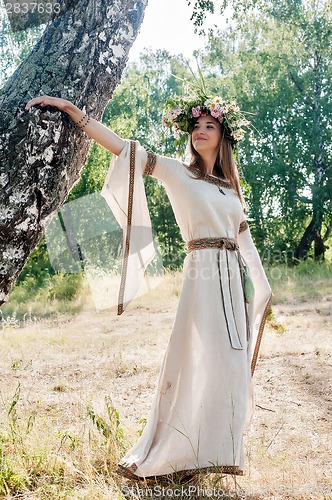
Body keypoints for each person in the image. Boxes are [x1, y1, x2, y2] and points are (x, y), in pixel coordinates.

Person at [26, 88, 272, 483]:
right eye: (196, 126)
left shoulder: (230, 189)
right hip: (202, 275)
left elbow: (246, 242)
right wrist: (73, 111)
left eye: (210, 125)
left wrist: (262, 287)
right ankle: (174, 454)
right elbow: (125, 149)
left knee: (229, 368)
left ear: (224, 136)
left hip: (232, 281)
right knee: (196, 362)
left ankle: (213, 453)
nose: (200, 131)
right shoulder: (179, 171)